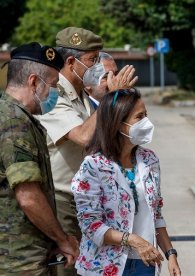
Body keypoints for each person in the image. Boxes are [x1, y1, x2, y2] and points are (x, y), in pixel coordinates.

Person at [37, 27, 137, 276]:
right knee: (68, 270)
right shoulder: (51, 95)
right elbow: (84, 137)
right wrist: (110, 98)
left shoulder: (81, 94)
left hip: (85, 200)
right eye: (92, 60)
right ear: (71, 62)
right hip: (62, 203)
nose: (97, 67)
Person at [72, 88, 181, 276]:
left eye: (146, 115)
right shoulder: (93, 166)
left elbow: (156, 214)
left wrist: (170, 254)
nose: (146, 122)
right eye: (139, 117)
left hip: (145, 263)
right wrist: (132, 240)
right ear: (118, 124)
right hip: (104, 265)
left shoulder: (149, 160)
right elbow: (91, 225)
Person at [0, 42, 79, 274]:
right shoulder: (14, 122)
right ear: (33, 81)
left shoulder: (10, 114)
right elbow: (28, 196)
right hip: (18, 260)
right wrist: (62, 239)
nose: (54, 92)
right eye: (53, 85)